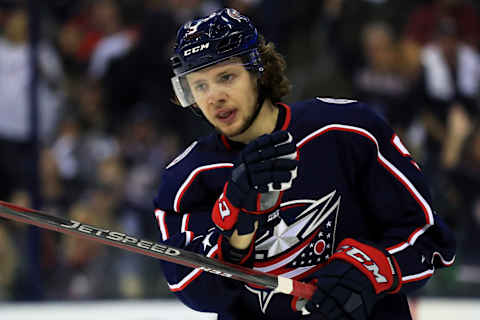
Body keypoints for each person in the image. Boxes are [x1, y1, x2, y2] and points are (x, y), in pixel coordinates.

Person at [153, 8, 456, 320]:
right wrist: (238, 222)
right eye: (199, 86)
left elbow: (429, 239)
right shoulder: (186, 177)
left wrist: (371, 269)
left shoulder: (346, 131)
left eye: (226, 77)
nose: (214, 96)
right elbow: (193, 289)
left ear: (260, 69)